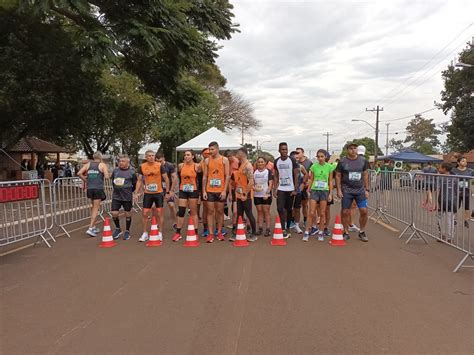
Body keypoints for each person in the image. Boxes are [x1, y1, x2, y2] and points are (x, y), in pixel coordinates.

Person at [336, 142, 370, 242]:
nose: (353, 150)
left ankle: (362, 232)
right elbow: (338, 175)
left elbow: (365, 174)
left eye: (355, 148)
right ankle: (345, 232)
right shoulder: (342, 161)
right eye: (351, 148)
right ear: (348, 150)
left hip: (359, 190)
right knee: (345, 211)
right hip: (347, 190)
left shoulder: (363, 160)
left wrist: (367, 189)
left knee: (364, 211)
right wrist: (338, 189)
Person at [134, 150, 170, 242]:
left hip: (158, 192)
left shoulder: (159, 166)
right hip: (148, 193)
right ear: (146, 157)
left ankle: (160, 232)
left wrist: (168, 192)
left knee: (159, 212)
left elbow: (166, 179)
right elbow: (139, 180)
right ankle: (145, 233)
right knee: (145, 213)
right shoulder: (142, 166)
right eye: (149, 156)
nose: (151, 157)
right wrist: (136, 193)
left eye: (153, 155)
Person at [202, 141, 230, 243]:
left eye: (212, 149)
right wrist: (204, 191)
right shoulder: (206, 161)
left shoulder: (224, 160)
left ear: (218, 149)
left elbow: (227, 176)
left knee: (220, 211)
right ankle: (210, 234)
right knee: (210, 211)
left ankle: (219, 232)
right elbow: (204, 176)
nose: (210, 151)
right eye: (209, 149)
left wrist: (224, 190)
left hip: (220, 190)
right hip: (209, 190)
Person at [304, 149, 334, 242]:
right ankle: (307, 231)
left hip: (324, 191)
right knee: (312, 212)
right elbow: (311, 179)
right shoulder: (313, 167)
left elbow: (330, 181)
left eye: (322, 156)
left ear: (325, 157)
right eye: (318, 157)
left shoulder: (329, 167)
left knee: (322, 213)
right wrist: (308, 190)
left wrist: (331, 194)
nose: (320, 158)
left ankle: (321, 232)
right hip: (315, 190)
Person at [77, 151, 109, 237]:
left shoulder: (88, 165)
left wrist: (86, 180)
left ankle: (94, 226)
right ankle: (90, 228)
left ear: (93, 157)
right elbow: (106, 177)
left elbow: (79, 173)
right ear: (101, 157)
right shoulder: (102, 165)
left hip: (90, 188)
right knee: (96, 208)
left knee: (93, 207)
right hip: (98, 188)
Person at [172, 150, 201, 241]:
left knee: (193, 212)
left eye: (188, 155)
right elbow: (179, 178)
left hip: (193, 190)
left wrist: (200, 192)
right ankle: (178, 233)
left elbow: (200, 178)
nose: (186, 157)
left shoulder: (197, 166)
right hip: (183, 190)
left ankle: (195, 232)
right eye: (185, 155)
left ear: (193, 156)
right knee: (181, 211)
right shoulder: (181, 166)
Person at [230, 147, 257, 242]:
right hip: (239, 194)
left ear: (242, 153)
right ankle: (238, 232)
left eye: (237, 153)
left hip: (246, 195)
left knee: (249, 213)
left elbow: (251, 182)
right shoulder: (241, 165)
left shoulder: (248, 166)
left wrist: (245, 193)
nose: (236, 155)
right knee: (239, 214)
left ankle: (254, 233)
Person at [273, 142, 299, 238]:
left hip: (290, 189)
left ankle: (287, 227)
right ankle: (283, 228)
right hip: (281, 188)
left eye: (286, 149)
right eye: (282, 149)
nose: (284, 151)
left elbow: (296, 175)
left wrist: (295, 189)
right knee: (280, 208)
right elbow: (276, 175)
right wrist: (274, 188)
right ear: (279, 150)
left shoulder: (292, 160)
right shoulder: (276, 161)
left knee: (289, 209)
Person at [110, 154, 137, 241]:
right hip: (116, 196)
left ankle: (127, 231)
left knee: (128, 213)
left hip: (127, 196)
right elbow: (113, 181)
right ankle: (118, 229)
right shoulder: (115, 171)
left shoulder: (132, 172)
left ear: (127, 163)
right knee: (114, 213)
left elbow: (135, 184)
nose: (120, 163)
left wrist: (131, 191)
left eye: (122, 161)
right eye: (119, 161)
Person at [156, 152, 178, 230]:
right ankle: (158, 222)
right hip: (158, 189)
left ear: (163, 159)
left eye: (160, 161)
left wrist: (171, 191)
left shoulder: (169, 165)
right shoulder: (155, 166)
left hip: (168, 188)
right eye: (157, 161)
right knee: (157, 207)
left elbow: (174, 178)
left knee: (171, 205)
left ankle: (175, 222)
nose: (159, 163)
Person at [436, 162, 458, 242]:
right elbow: (458, 190)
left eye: (440, 167)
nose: (439, 169)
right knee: (450, 219)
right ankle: (449, 237)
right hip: (452, 200)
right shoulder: (455, 177)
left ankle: (442, 235)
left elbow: (438, 190)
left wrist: (436, 202)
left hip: (442, 200)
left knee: (440, 218)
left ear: (444, 169)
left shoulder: (439, 177)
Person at [253, 156, 274, 237]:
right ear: (257, 163)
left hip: (266, 194)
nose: (260, 163)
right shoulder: (255, 172)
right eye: (259, 162)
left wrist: (267, 193)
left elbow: (271, 183)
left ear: (265, 163)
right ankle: (260, 228)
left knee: (266, 211)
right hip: (257, 195)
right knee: (259, 211)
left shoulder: (268, 172)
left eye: (262, 162)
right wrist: (253, 188)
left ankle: (268, 229)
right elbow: (252, 182)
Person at [289, 150, 308, 234]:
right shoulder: (287, 167)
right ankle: (287, 223)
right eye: (294, 158)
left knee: (297, 208)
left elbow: (306, 174)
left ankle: (297, 225)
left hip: (298, 191)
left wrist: (303, 183)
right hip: (288, 190)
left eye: (297, 158)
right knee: (287, 208)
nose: (296, 159)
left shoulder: (301, 167)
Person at [452, 156, 473, 228]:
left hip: (466, 191)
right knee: (455, 207)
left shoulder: (470, 171)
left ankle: (466, 220)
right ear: (458, 162)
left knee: (467, 207)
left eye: (466, 161)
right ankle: (454, 219)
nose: (465, 162)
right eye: (463, 161)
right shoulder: (453, 170)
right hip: (456, 192)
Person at [296, 147, 313, 228]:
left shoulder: (309, 162)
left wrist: (308, 184)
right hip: (296, 187)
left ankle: (306, 220)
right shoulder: (294, 162)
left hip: (305, 187)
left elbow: (311, 175)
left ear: (303, 153)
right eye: (296, 153)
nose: (297, 154)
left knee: (304, 205)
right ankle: (295, 221)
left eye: (298, 153)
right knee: (295, 206)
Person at [197, 148, 210, 236]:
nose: (207, 154)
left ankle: (217, 228)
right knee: (205, 208)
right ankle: (205, 228)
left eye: (209, 153)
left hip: (215, 188)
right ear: (202, 155)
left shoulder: (215, 162)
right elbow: (198, 178)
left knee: (216, 209)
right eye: (205, 153)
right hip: (204, 189)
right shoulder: (200, 165)